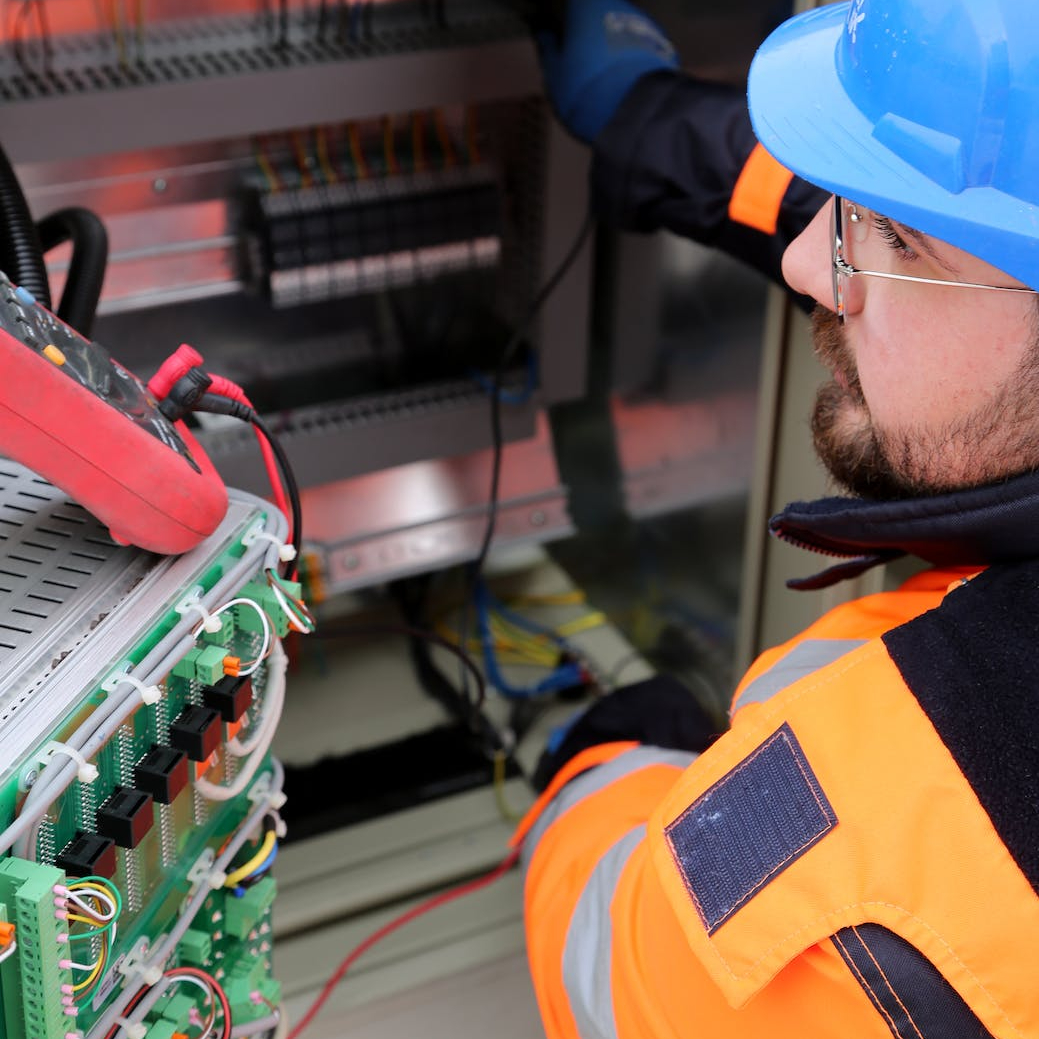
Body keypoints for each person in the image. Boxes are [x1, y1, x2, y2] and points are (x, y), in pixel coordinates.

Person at [513, 0, 1039, 1035]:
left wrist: (603, 771)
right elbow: (873, 208)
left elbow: (618, 968)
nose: (806, 263)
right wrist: (646, 118)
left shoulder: (879, 892)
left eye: (889, 236)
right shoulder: (984, 278)